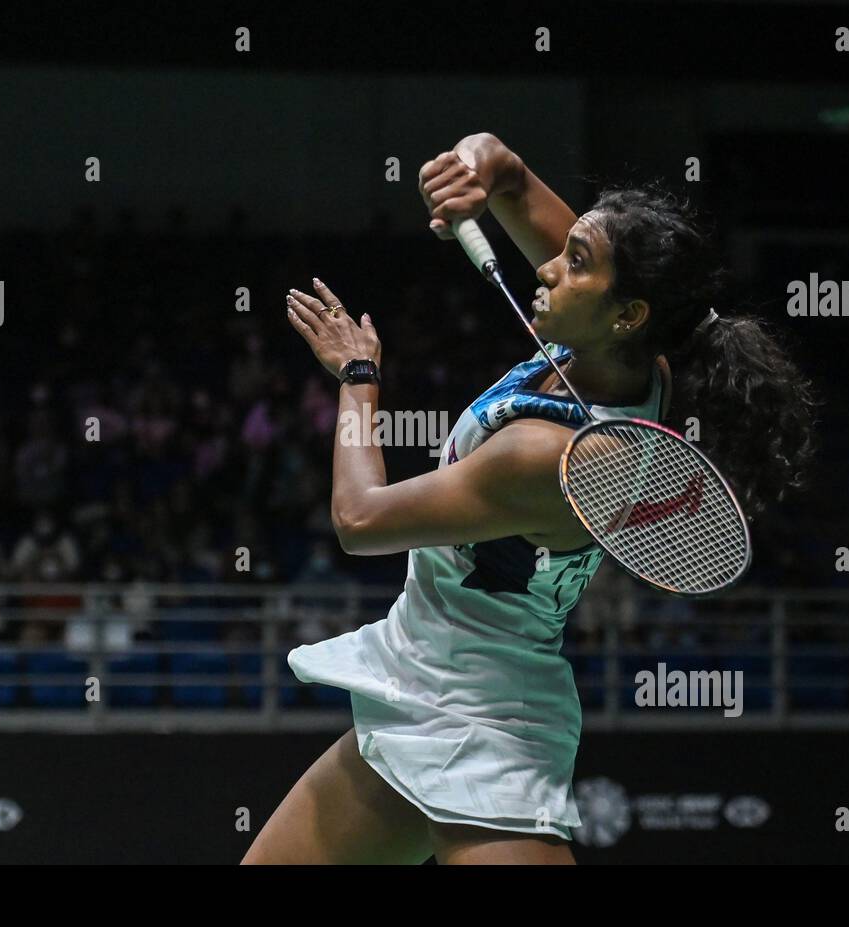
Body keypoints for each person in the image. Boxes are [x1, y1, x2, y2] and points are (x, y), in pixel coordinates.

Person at [246, 132, 818, 865]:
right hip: (418, 675)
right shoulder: (636, 354)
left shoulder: (550, 456)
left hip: (485, 717)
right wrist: (476, 167)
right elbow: (508, 173)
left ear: (627, 314)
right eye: (566, 248)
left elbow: (360, 521)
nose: (546, 266)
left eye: (574, 262)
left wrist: (357, 378)